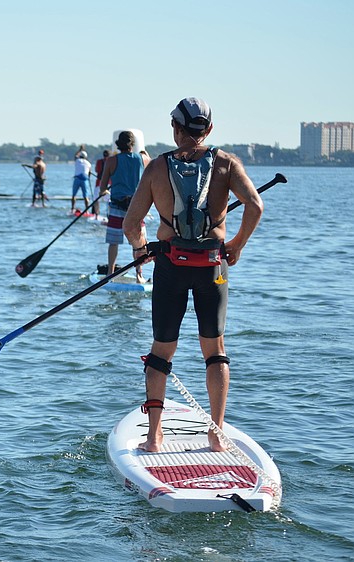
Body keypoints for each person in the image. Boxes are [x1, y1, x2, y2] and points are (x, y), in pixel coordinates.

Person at [123, 97, 263, 453]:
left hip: (170, 266)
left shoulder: (157, 167)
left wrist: (141, 250)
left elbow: (130, 224)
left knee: (161, 351)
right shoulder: (227, 163)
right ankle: (216, 435)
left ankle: (154, 437)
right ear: (209, 129)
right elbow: (255, 206)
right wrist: (237, 245)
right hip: (212, 267)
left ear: (175, 128)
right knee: (215, 351)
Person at [98, 131, 150, 281]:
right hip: (136, 207)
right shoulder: (143, 159)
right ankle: (139, 274)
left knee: (114, 242)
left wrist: (106, 192)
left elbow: (102, 188)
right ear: (133, 144)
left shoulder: (111, 161)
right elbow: (151, 164)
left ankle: (110, 273)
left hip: (117, 206)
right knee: (138, 243)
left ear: (118, 144)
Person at [93, 149, 110, 217]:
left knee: (96, 199)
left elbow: (97, 170)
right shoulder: (111, 161)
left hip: (99, 183)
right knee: (109, 201)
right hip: (108, 184)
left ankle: (96, 215)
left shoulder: (99, 162)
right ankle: (109, 216)